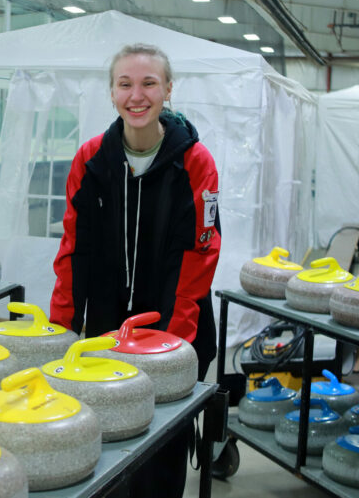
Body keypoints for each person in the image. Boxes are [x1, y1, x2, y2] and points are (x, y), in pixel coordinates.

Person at [49, 43, 221, 498]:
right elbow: (73, 252)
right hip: (106, 334)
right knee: (104, 454)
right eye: (125, 83)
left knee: (160, 464)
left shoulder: (195, 161)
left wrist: (174, 347)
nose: (137, 94)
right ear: (111, 93)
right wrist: (60, 332)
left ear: (168, 89)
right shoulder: (91, 159)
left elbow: (200, 255)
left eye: (149, 83)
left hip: (175, 329)